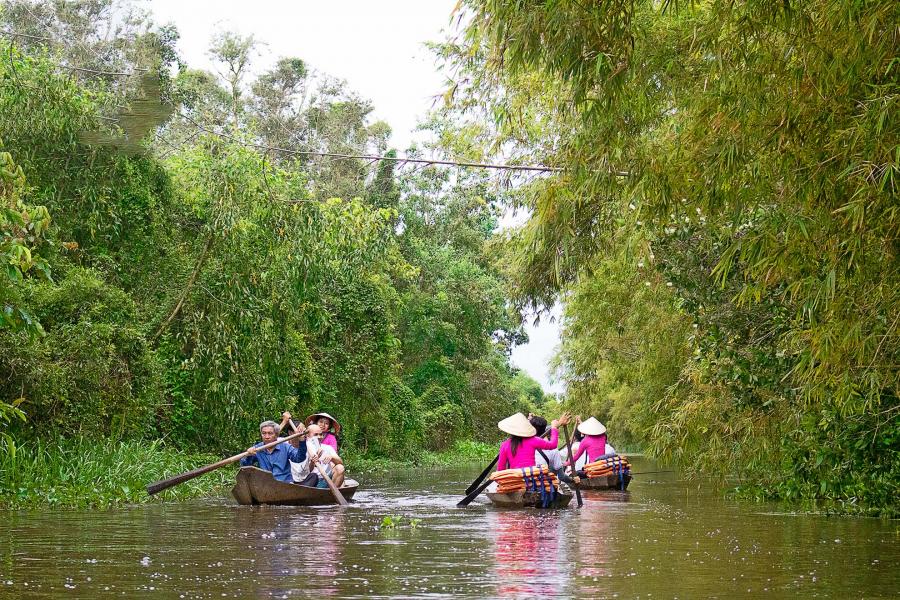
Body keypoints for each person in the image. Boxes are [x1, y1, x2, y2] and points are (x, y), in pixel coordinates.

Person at [496, 411, 571, 470]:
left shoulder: (505, 445)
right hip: (531, 478)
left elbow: (500, 469)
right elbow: (553, 445)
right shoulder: (533, 440)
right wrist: (554, 427)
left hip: (516, 480)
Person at [240, 420, 307, 483]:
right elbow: (245, 466)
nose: (266, 437)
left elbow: (299, 459)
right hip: (266, 484)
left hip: (285, 484)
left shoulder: (286, 447)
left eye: (270, 433)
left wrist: (302, 441)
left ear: (276, 435)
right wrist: (248, 455)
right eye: (264, 433)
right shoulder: (257, 448)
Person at [289, 424, 346, 488]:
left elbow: (341, 462)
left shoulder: (327, 447)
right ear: (307, 435)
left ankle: (331, 496)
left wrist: (332, 457)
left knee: (340, 468)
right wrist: (312, 462)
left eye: (321, 434)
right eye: (316, 435)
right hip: (310, 481)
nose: (319, 437)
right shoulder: (303, 449)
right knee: (313, 476)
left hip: (326, 480)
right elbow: (303, 473)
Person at [530, 414, 579, 485]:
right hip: (544, 484)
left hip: (527, 482)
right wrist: (573, 480)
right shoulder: (553, 450)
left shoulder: (522, 443)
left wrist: (557, 425)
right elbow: (562, 477)